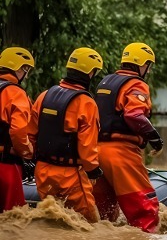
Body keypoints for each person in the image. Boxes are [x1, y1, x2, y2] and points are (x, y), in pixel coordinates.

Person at [92, 42, 163, 233]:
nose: (148, 70)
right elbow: (134, 115)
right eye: (148, 65)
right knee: (144, 208)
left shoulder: (105, 82)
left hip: (95, 153)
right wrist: (154, 138)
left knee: (104, 213)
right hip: (121, 153)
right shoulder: (136, 84)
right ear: (142, 64)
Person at [28, 47, 104, 223]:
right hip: (70, 174)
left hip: (42, 171)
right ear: (90, 73)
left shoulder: (44, 96)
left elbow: (30, 134)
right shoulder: (86, 103)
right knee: (89, 223)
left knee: (52, 220)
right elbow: (87, 146)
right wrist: (93, 171)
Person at [0, 47, 35, 213]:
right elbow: (18, 132)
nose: (26, 74)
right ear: (18, 68)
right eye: (25, 69)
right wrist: (28, 153)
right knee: (15, 219)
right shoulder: (15, 93)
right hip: (5, 165)